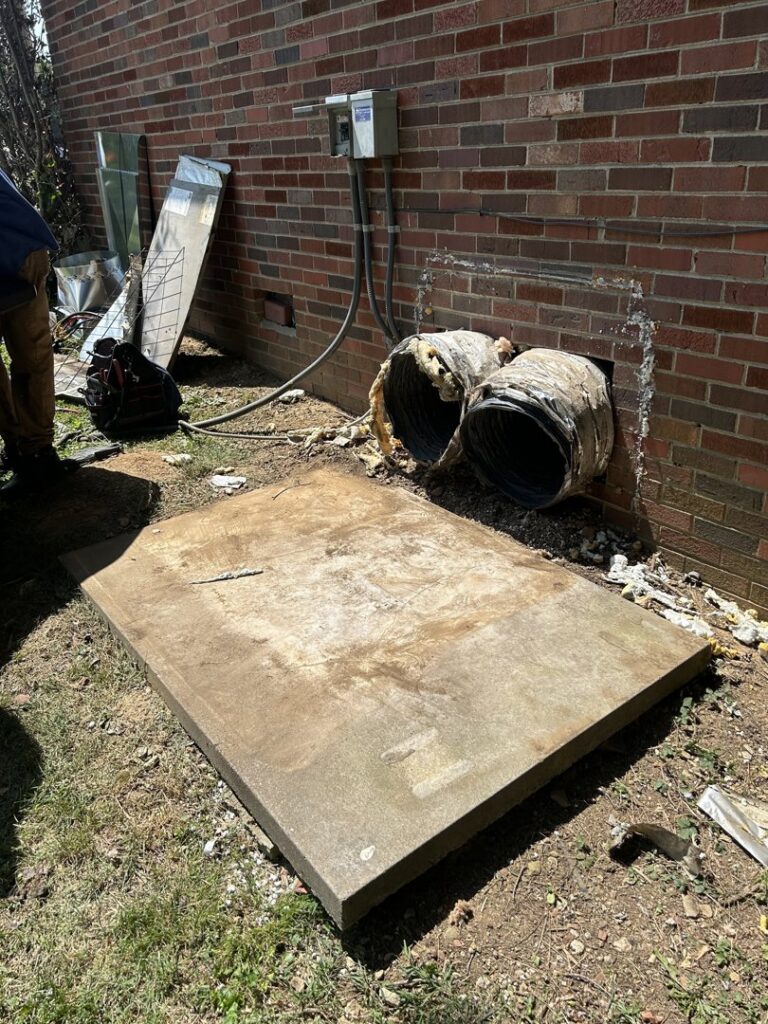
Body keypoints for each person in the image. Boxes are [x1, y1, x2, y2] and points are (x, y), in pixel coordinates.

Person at [0, 169, 62, 495]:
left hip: (20, 255)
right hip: (17, 251)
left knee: (32, 353)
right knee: (33, 355)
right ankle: (19, 448)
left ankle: (36, 452)